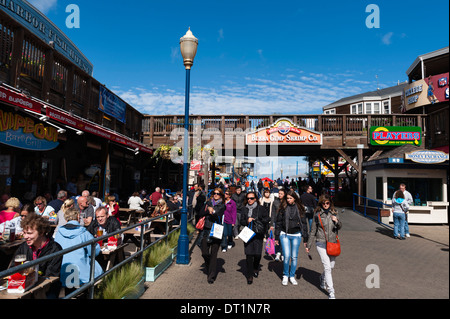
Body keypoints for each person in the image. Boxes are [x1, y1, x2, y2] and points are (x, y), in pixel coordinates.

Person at [55, 207, 103, 296]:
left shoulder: (59, 233)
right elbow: (94, 252)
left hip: (62, 272)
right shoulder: (84, 233)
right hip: (81, 274)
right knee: (98, 269)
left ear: (66, 219)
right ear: (78, 217)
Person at [12, 214, 63, 298]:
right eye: (24, 233)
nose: (25, 237)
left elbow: (51, 276)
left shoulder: (55, 248)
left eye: (29, 233)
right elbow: (13, 268)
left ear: (42, 232)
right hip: (25, 286)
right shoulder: (24, 246)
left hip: (47, 289)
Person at [306, 194, 342, 299]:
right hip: (321, 242)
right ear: (321, 203)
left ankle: (322, 277)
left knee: (331, 266)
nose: (325, 205)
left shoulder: (334, 212)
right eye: (323, 203)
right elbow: (313, 230)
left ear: (330, 203)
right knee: (327, 267)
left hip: (333, 243)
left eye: (327, 203)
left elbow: (339, 226)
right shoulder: (317, 214)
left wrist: (337, 221)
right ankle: (331, 292)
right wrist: (309, 245)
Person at [274, 190, 308, 286]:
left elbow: (304, 224)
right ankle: (285, 275)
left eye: (290, 198)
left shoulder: (300, 208)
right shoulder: (283, 208)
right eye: (287, 198)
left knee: (294, 257)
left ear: (295, 198)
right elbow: (279, 223)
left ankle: (292, 276)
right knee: (286, 256)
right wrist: (276, 236)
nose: (288, 200)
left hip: (296, 235)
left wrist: (305, 238)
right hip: (284, 234)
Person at [240, 191, 270, 285]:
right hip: (248, 233)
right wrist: (247, 221)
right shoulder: (244, 209)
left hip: (258, 234)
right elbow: (241, 221)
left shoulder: (261, 208)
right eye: (248, 198)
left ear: (255, 199)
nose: (249, 200)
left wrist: (258, 220)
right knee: (249, 254)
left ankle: (255, 267)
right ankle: (249, 276)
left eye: (251, 198)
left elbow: (267, 219)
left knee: (257, 254)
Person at [199, 188, 225, 284]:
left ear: (221, 195)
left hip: (216, 231)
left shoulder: (222, 205)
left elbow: (218, 214)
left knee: (214, 254)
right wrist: (208, 210)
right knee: (204, 252)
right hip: (206, 230)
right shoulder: (208, 202)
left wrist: (212, 211)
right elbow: (200, 213)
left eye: (218, 194)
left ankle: (211, 276)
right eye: (214, 193)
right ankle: (209, 265)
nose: (216, 195)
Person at [271, 187, 286, 261]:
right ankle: (278, 253)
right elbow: (273, 213)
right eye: (279, 193)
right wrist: (271, 224)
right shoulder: (275, 201)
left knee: (284, 239)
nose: (279, 195)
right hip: (277, 222)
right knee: (278, 238)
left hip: (285, 222)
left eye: (281, 194)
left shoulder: (287, 201)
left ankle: (283, 253)